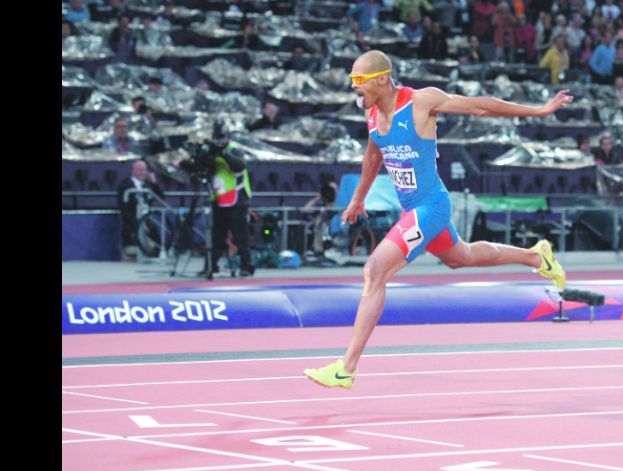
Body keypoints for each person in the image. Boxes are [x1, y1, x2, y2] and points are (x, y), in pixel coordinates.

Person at [304, 50, 571, 389]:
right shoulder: (371, 111)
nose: (354, 88)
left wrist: (541, 110)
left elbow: (480, 105)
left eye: (360, 81)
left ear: (382, 79)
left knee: (374, 271)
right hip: (412, 209)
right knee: (462, 257)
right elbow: (374, 153)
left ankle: (347, 367)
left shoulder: (421, 102)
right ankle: (536, 255)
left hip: (431, 207)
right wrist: (358, 197)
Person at [199, 122, 255, 277]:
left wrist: (223, 153)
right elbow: (203, 168)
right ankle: (211, 265)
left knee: (240, 235)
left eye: (221, 137)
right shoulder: (211, 153)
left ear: (227, 138)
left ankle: (247, 266)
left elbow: (240, 166)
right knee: (217, 235)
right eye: (216, 137)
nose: (218, 140)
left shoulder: (235, 150)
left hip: (237, 199)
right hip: (218, 199)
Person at [117, 160, 164, 260]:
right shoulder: (125, 185)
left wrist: (154, 183)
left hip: (147, 218)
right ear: (133, 171)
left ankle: (156, 253)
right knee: (137, 232)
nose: (142, 172)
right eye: (139, 170)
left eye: (144, 170)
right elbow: (124, 209)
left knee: (155, 231)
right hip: (132, 219)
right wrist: (137, 224)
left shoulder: (148, 185)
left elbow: (162, 198)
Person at [302, 182, 339, 256]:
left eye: (333, 190)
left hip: (337, 229)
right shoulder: (321, 205)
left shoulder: (339, 202)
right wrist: (318, 198)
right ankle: (317, 250)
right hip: (322, 230)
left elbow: (332, 210)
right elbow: (305, 209)